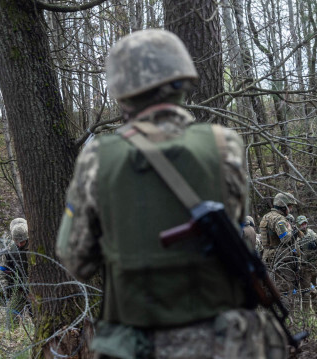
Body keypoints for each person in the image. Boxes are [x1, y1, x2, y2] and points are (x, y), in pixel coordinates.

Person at [55, 29, 287, 359]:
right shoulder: (225, 146)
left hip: (136, 344)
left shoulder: (98, 158)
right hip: (223, 344)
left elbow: (75, 260)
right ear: (183, 80)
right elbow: (233, 230)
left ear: (122, 93)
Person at [259, 192, 301, 293]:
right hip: (281, 259)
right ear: (283, 206)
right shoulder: (279, 220)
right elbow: (285, 238)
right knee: (285, 289)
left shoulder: (266, 217)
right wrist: (291, 230)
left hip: (267, 257)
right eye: (289, 207)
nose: (290, 210)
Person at [0, 218, 30, 315]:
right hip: (18, 289)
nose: (19, 244)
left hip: (35, 289)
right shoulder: (10, 248)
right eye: (16, 241)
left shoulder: (36, 245)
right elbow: (2, 268)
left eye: (22, 241)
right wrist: (4, 285)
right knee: (11, 318)